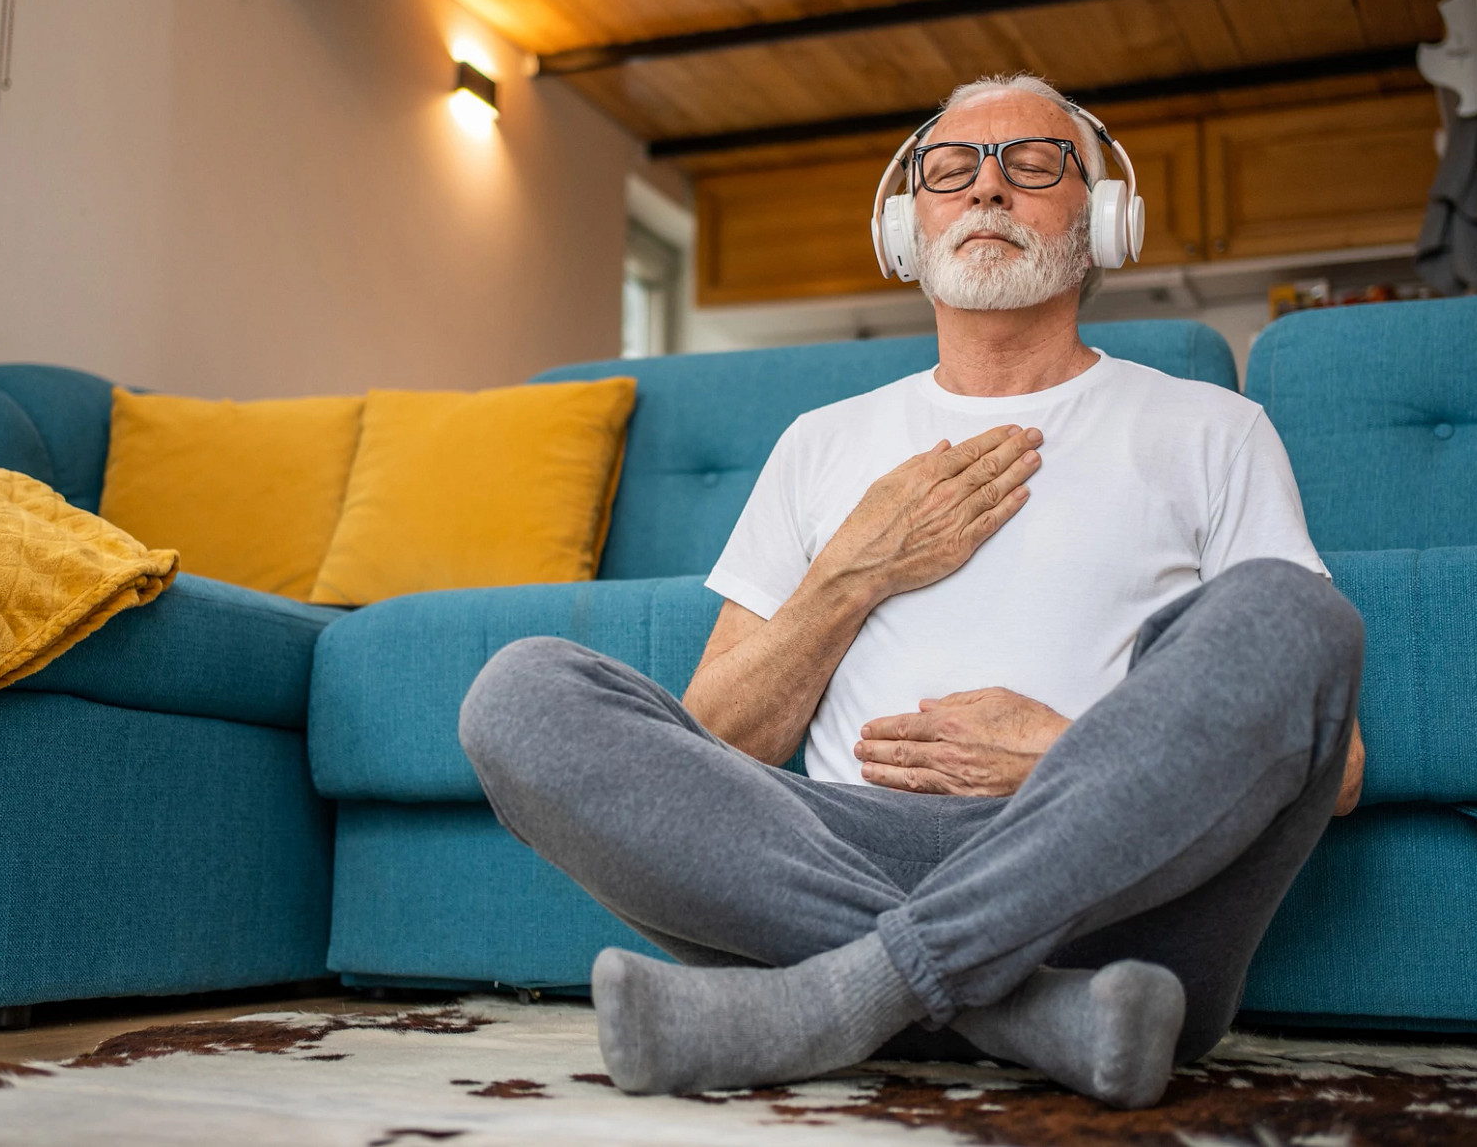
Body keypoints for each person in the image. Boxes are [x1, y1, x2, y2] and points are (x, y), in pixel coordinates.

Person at [459, 72, 1365, 1110]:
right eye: (950, 169)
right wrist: (856, 570)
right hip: (837, 854)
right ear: (905, 228)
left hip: (1114, 883)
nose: (987, 190)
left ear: (1105, 220)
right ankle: (1028, 1013)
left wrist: (1061, 758)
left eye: (1031, 164)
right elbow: (716, 739)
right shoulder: (819, 446)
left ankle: (833, 1002)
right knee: (519, 693)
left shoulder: (1211, 429)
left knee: (1296, 616)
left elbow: (1328, 765)